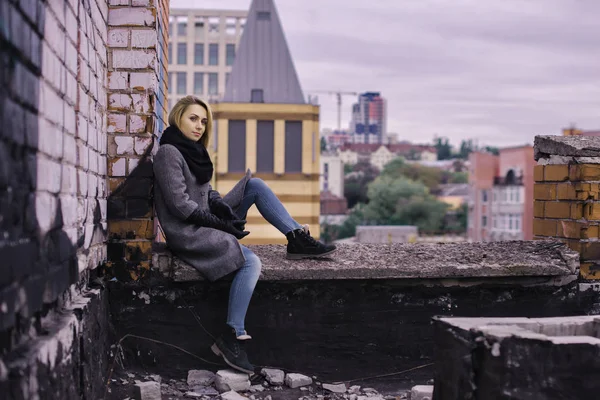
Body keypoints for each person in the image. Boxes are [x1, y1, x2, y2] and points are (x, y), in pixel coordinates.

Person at [153, 96, 336, 374]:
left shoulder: (192, 149)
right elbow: (180, 205)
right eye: (193, 118)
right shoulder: (169, 152)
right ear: (178, 117)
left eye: (203, 121)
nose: (199, 126)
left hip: (207, 221)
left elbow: (206, 191)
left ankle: (296, 237)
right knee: (251, 262)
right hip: (189, 232)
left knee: (255, 185)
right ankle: (231, 335)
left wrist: (221, 208)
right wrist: (223, 225)